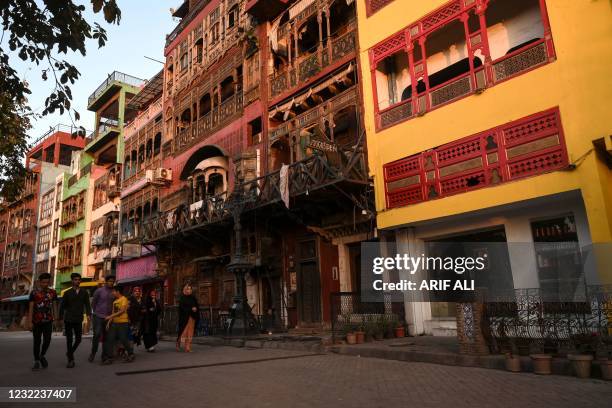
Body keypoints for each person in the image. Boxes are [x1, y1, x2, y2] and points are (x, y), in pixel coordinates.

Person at [59, 273, 92, 368]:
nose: (77, 281)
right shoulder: (67, 293)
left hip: (78, 319)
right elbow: (62, 306)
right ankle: (71, 360)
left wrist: (89, 314)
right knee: (69, 340)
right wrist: (60, 318)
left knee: (78, 339)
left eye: (79, 279)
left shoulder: (84, 292)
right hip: (68, 319)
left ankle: (69, 353)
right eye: (75, 279)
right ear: (72, 281)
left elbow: (87, 304)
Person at [27, 273, 58, 370]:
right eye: (43, 282)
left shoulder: (53, 292)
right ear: (40, 282)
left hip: (48, 320)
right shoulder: (34, 293)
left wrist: (56, 319)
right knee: (37, 341)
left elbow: (54, 306)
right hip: (36, 321)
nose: (45, 284)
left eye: (47, 282)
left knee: (47, 340)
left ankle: (42, 355)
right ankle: (36, 361)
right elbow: (31, 307)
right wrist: (29, 322)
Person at [102, 286, 135, 364]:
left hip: (123, 323)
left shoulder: (124, 299)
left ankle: (131, 354)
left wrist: (110, 317)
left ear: (118, 292)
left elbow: (122, 310)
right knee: (110, 339)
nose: (112, 293)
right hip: (114, 323)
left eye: (113, 291)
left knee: (123, 339)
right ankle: (109, 358)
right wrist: (109, 322)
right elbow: (113, 313)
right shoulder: (115, 301)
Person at [89, 275, 115, 363]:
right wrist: (94, 313)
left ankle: (104, 356)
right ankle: (93, 353)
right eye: (110, 281)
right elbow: (93, 303)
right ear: (106, 282)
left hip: (109, 317)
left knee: (107, 338)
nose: (111, 283)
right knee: (97, 335)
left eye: (112, 281)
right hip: (98, 316)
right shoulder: (99, 291)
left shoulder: (114, 292)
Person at [177, 284, 199, 352]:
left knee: (190, 332)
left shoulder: (193, 298)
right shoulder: (182, 298)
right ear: (185, 290)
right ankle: (178, 342)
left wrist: (196, 309)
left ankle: (188, 347)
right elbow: (182, 308)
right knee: (184, 332)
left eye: (190, 289)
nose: (189, 290)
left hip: (192, 317)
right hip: (185, 318)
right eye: (187, 289)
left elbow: (197, 306)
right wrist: (191, 309)